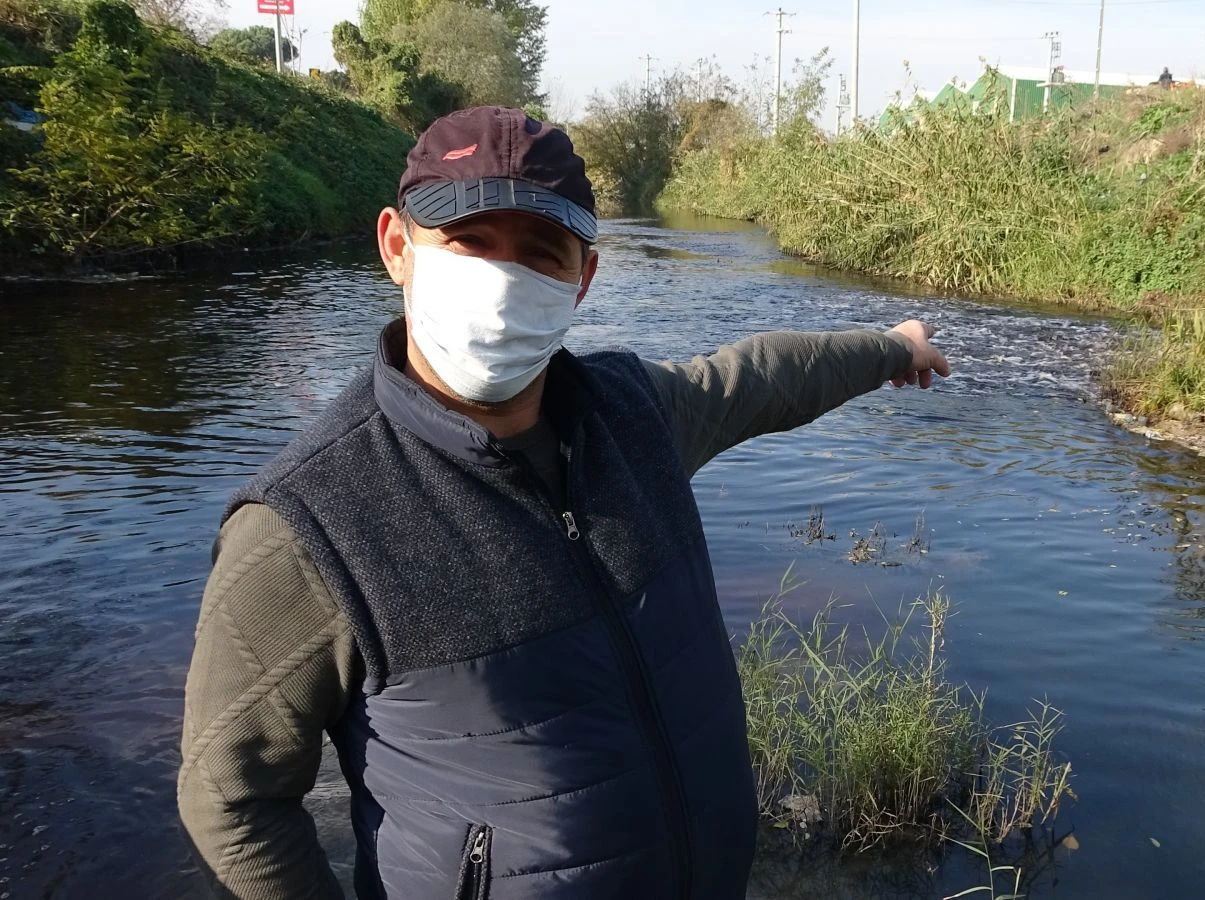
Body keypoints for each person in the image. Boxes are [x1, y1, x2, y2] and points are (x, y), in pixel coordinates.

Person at [176, 105, 951, 900]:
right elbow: (232, 802)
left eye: (540, 253)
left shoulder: (633, 416)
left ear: (582, 279)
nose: (503, 281)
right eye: (471, 241)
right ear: (397, 246)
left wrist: (893, 347)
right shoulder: (309, 523)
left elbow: (760, 378)